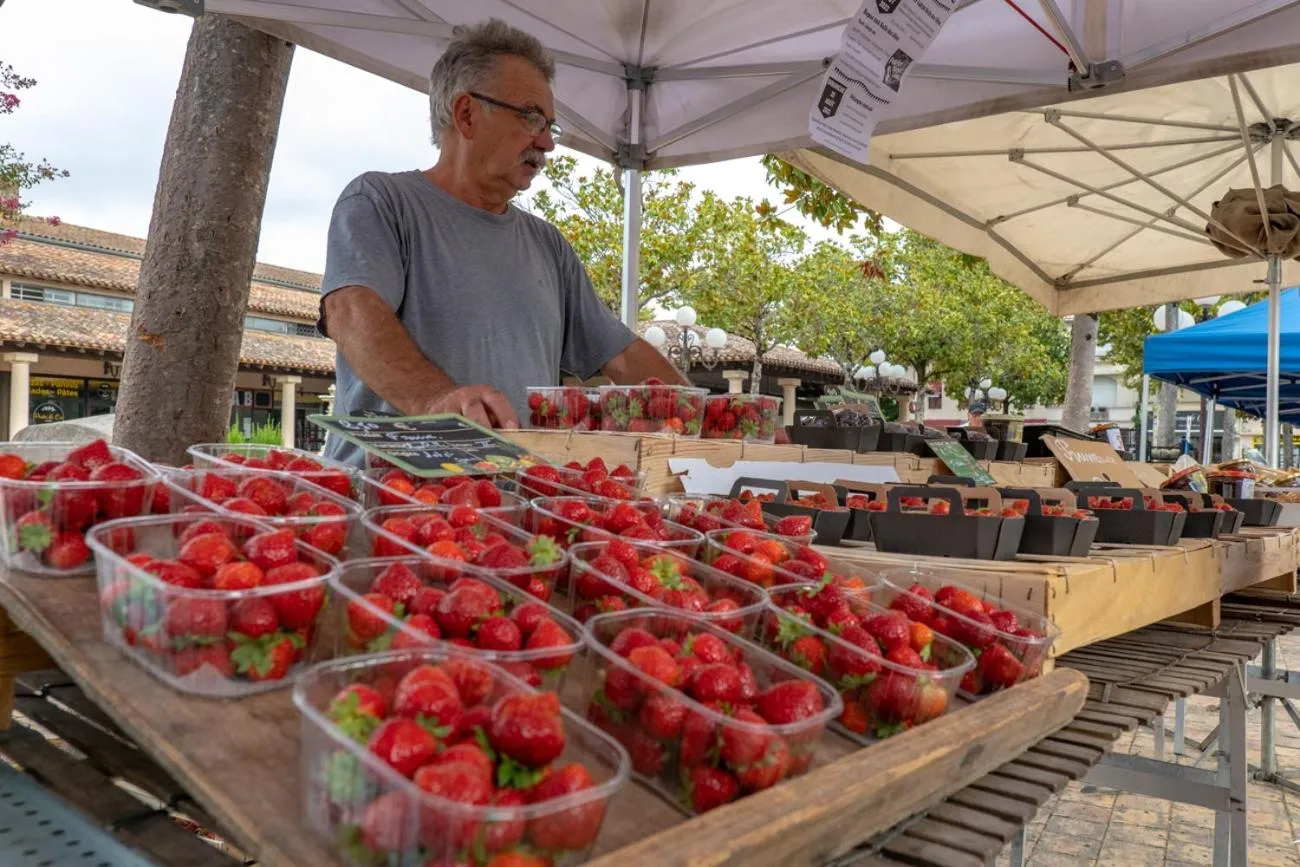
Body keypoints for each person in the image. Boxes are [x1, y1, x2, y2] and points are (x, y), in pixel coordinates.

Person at [317, 19, 685, 466]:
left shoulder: (547, 244)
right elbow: (350, 313)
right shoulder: (380, 201)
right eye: (531, 117)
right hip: (386, 495)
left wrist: (708, 417)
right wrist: (436, 400)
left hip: (511, 497)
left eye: (551, 126)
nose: (547, 143)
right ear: (467, 114)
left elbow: (622, 357)